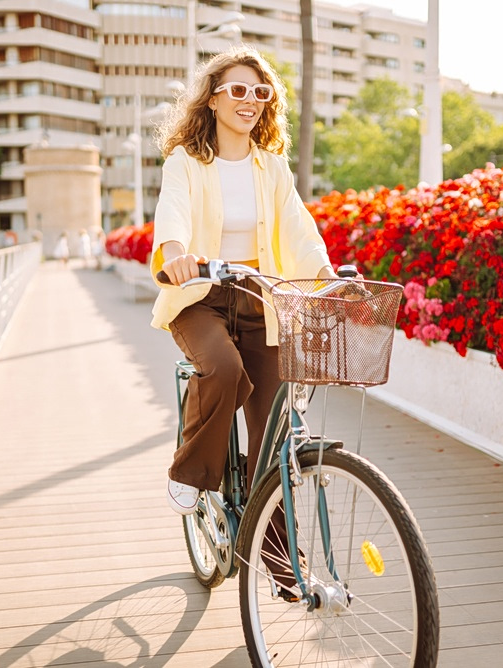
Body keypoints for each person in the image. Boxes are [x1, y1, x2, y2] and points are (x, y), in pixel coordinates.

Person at [150, 46, 337, 523]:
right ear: (212, 99)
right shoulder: (186, 161)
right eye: (237, 89)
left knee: (273, 427)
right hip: (200, 296)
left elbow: (297, 224)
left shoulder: (271, 166)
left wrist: (325, 275)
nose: (249, 99)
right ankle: (190, 471)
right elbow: (172, 210)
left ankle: (277, 559)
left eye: (260, 91)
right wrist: (174, 254)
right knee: (224, 369)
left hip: (260, 298)